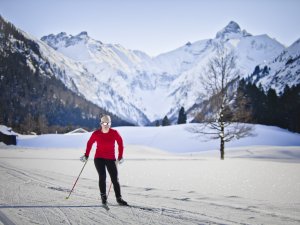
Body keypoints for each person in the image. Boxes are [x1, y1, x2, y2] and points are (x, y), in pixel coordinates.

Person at [80, 115, 128, 206]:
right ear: (101, 123)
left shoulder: (114, 133)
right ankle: (103, 198)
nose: (106, 125)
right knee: (102, 176)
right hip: (99, 158)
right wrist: (86, 155)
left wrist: (120, 156)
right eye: (104, 123)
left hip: (111, 159)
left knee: (115, 179)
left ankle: (119, 198)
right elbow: (89, 143)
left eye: (108, 123)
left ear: (110, 123)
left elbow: (120, 144)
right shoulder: (96, 133)